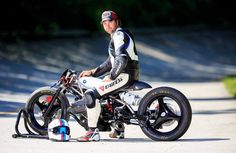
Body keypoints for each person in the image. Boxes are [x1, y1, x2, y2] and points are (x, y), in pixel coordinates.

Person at [72, 10, 139, 142]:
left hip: (124, 75)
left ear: (117, 21)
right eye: (104, 23)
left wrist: (112, 76)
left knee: (91, 95)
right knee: (111, 97)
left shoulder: (119, 35)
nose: (107, 25)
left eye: (110, 21)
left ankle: (91, 132)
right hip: (128, 73)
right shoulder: (119, 35)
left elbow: (122, 59)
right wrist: (93, 72)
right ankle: (119, 128)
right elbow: (110, 62)